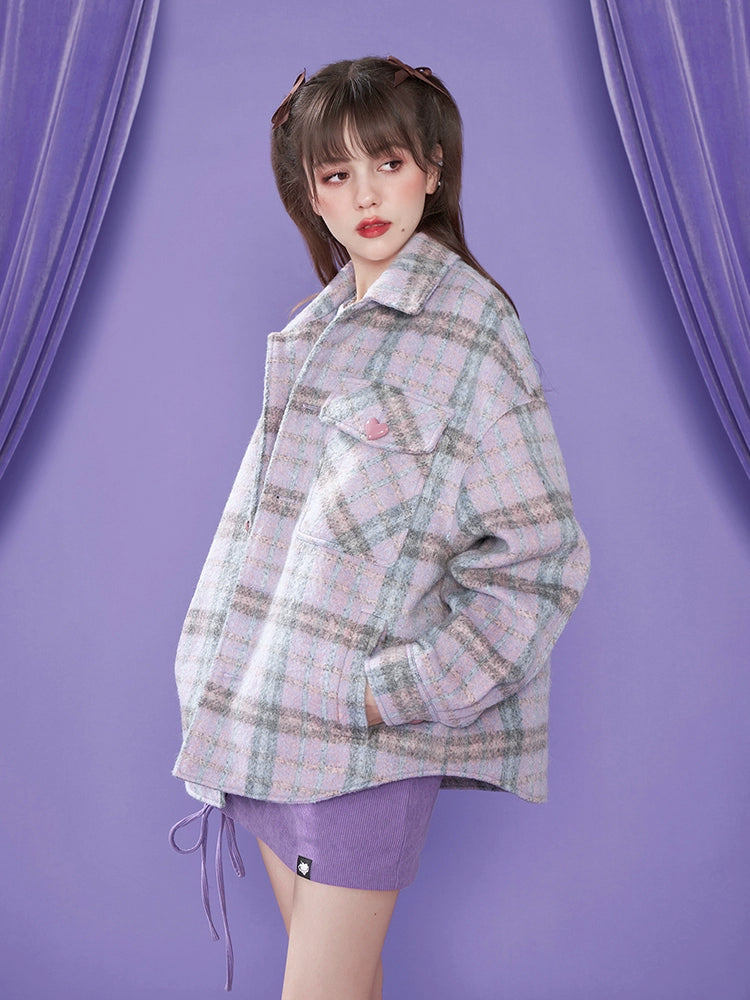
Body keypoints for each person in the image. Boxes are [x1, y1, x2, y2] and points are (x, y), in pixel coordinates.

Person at [169, 55, 590, 999]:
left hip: (364, 747)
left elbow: (540, 562)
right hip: (263, 729)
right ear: (308, 193)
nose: (365, 195)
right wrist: (207, 671)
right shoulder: (316, 329)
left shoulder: (471, 328)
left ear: (432, 169)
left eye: (389, 163)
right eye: (336, 173)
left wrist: (388, 692)